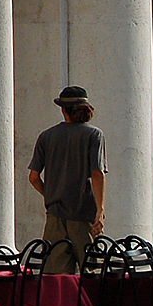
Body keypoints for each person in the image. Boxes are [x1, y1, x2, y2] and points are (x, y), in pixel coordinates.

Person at [28, 86, 107, 273]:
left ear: (63, 110)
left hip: (55, 214)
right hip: (83, 212)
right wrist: (100, 210)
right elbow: (97, 173)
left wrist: (51, 194)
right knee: (91, 273)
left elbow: (33, 177)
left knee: (56, 278)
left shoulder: (46, 136)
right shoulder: (94, 135)